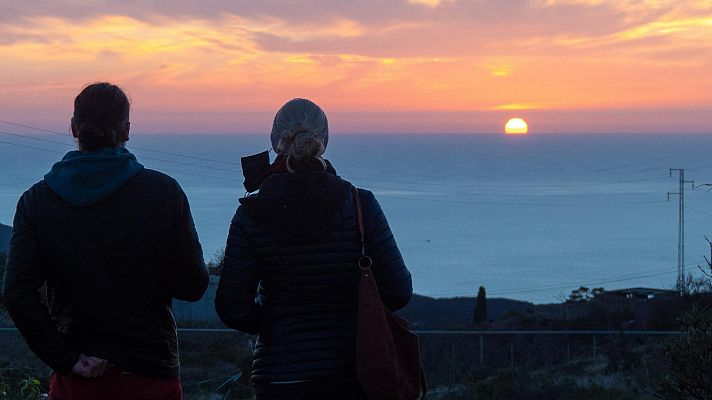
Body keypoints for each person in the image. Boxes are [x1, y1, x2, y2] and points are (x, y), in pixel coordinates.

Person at [2, 82, 208, 399]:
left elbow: (17, 295)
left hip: (78, 380)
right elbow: (193, 285)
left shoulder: (37, 202)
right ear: (126, 130)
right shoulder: (163, 193)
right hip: (149, 374)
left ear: (73, 127)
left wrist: (65, 358)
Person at [215, 98, 413, 400]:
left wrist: (275, 324)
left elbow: (232, 308)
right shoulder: (360, 204)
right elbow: (399, 292)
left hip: (279, 376)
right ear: (326, 140)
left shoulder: (251, 214)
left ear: (274, 141)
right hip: (352, 373)